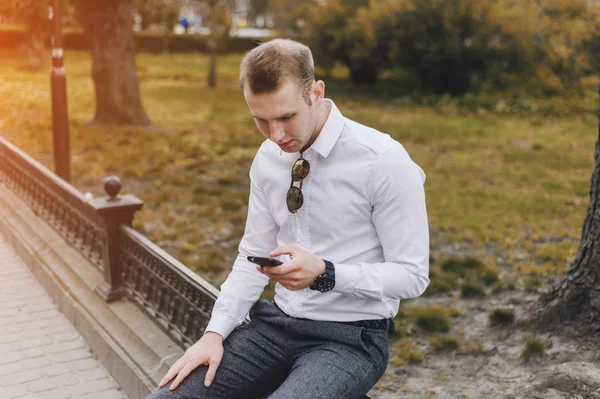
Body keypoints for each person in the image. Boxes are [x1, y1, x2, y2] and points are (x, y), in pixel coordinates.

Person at [148, 38, 430, 399]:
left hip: (351, 339)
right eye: (261, 120)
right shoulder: (267, 159)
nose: (276, 135)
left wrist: (326, 273)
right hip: (273, 327)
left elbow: (413, 274)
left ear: (316, 91)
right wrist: (214, 334)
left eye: (285, 117)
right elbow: (252, 253)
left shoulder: (383, 160)